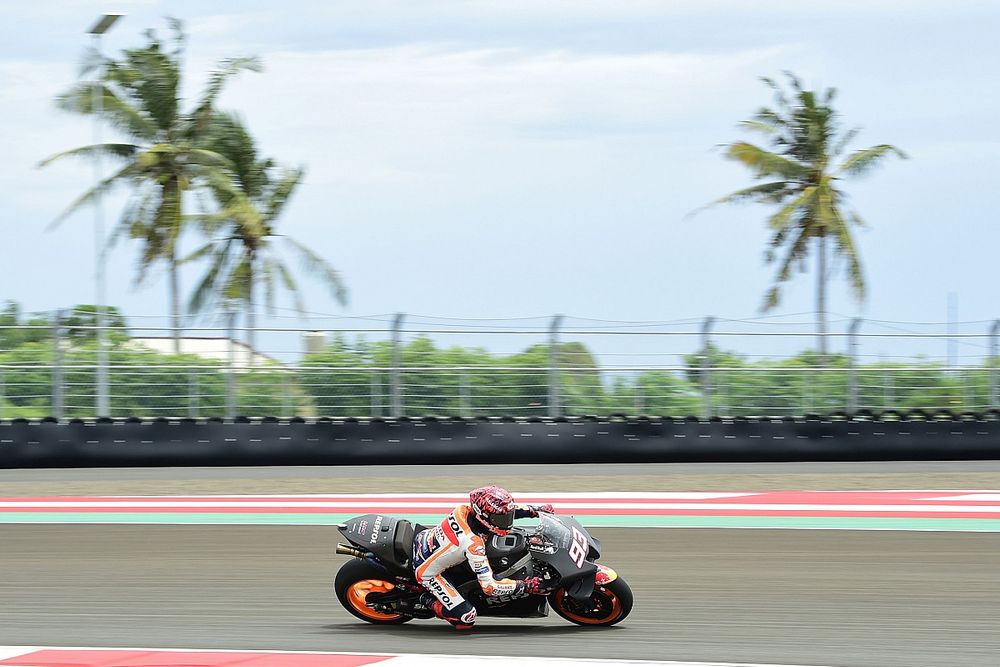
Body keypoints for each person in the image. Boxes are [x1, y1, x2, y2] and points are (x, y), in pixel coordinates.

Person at [411, 485, 555, 630]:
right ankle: (425, 599)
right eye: (501, 519)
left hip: (427, 541)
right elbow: (490, 587)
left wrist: (536, 510)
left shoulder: (464, 510)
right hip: (427, 571)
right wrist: (525, 586)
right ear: (483, 516)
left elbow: (505, 511)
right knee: (466, 618)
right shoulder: (473, 544)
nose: (506, 522)